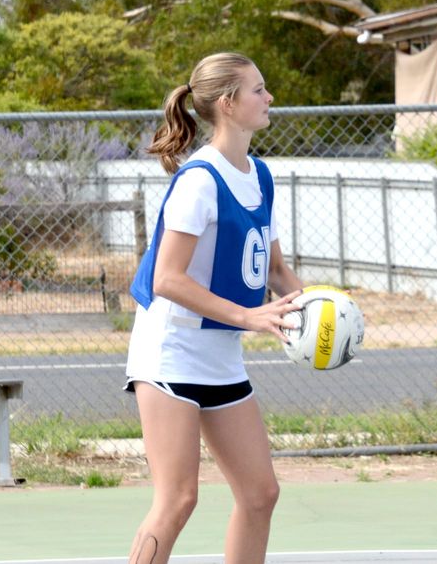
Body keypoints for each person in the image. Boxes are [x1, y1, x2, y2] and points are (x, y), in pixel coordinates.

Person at [124, 52, 304, 564]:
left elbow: (274, 270)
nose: (269, 98)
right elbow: (167, 279)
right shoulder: (200, 180)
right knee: (179, 498)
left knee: (260, 494)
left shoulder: (259, 175)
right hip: (171, 351)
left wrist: (324, 311)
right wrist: (250, 317)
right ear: (227, 103)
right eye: (258, 90)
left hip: (219, 351)